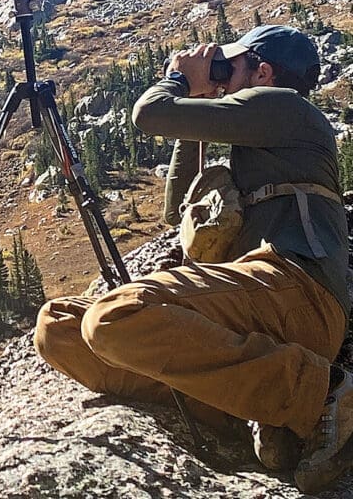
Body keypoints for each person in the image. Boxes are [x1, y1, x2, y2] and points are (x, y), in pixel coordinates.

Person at [33, 25, 351, 494]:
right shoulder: (264, 136)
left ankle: (323, 395)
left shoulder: (286, 106)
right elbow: (176, 210)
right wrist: (201, 100)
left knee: (114, 317)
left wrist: (181, 81)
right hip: (257, 303)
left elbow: (149, 115)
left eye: (230, 66)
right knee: (58, 328)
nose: (220, 74)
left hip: (297, 289)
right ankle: (257, 411)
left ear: (263, 72)